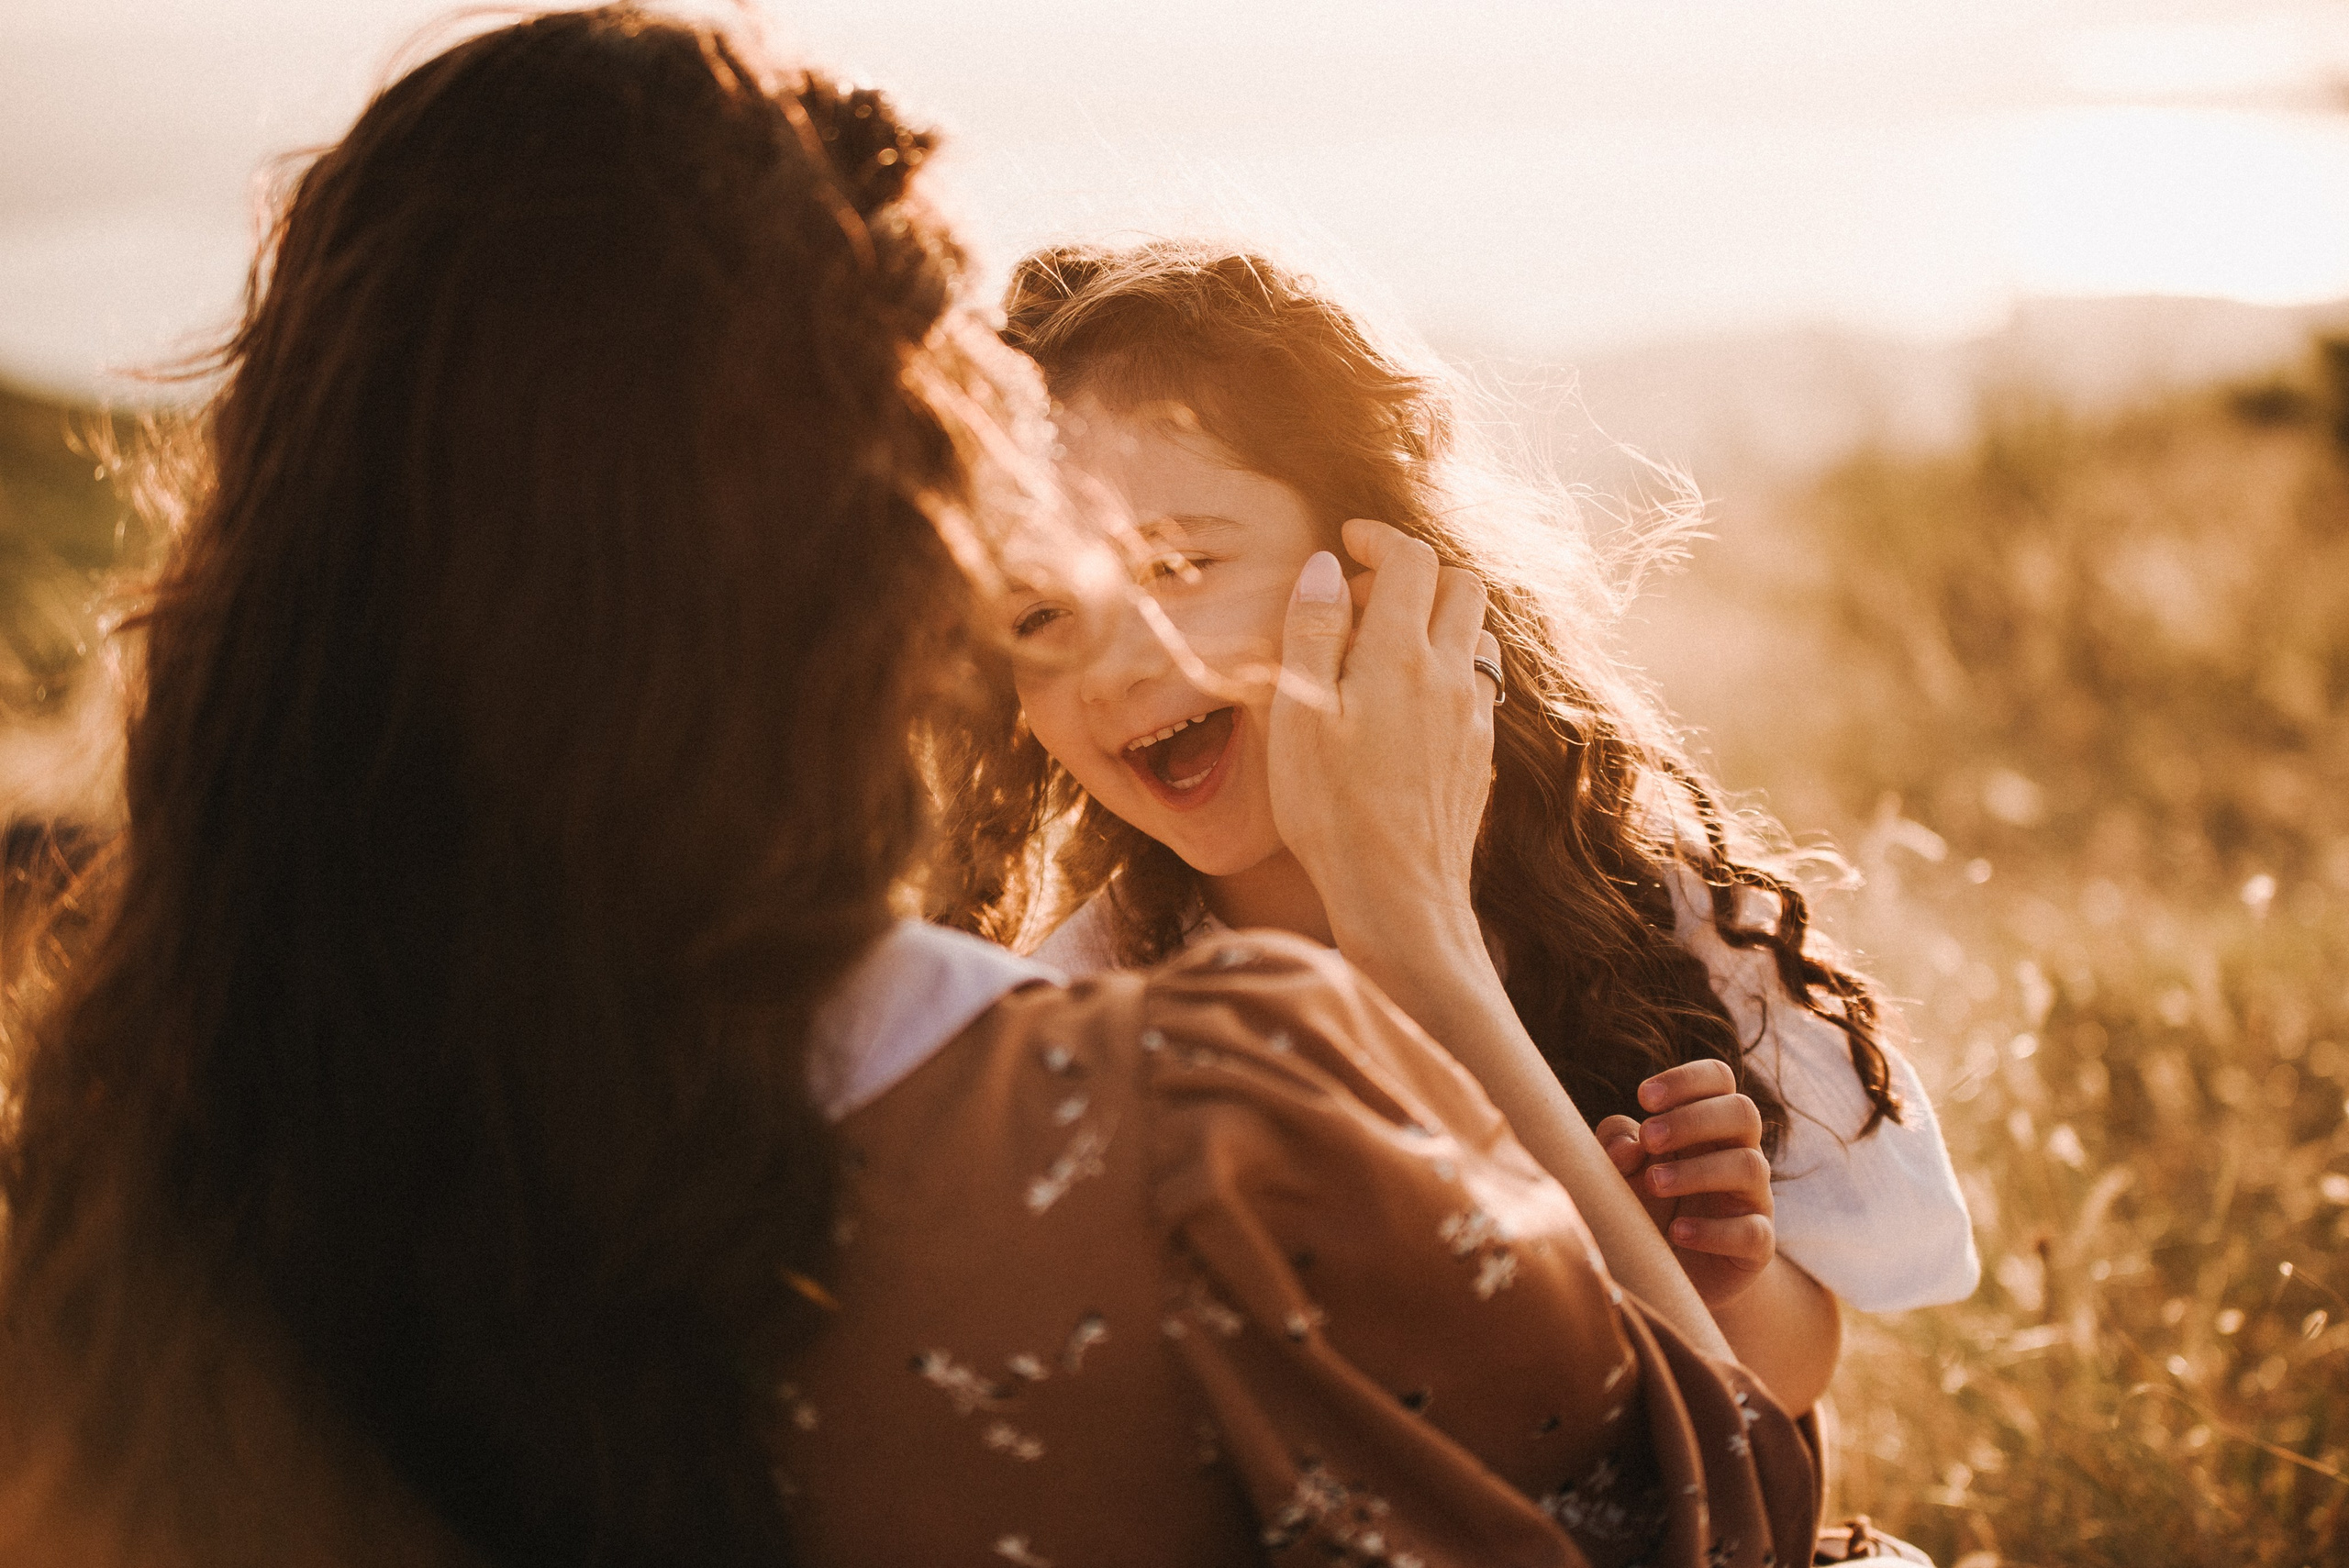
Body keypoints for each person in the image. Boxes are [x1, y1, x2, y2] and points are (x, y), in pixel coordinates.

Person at [0, 9, 1817, 1568]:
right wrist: (1418, 944)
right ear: (899, 562)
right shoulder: (1199, 1133)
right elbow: (1723, 1503)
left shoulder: (115, 1203)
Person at [937, 241, 1979, 1418]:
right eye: (1037, 612)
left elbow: (1769, 1406)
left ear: (1379, 559)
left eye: (1180, 563)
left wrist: (1709, 1288)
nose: (1121, 659)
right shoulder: (1074, 1023)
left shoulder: (1658, 918)